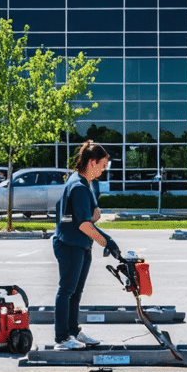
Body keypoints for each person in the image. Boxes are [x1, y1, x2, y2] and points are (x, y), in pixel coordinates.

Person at [53, 140, 122, 349]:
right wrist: (107, 242)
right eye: (103, 164)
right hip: (70, 244)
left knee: (75, 292)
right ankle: (62, 338)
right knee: (66, 292)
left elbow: (82, 216)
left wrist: (93, 216)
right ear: (92, 162)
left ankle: (73, 332)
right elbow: (83, 224)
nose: (104, 169)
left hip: (79, 244)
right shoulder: (79, 186)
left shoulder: (82, 182)